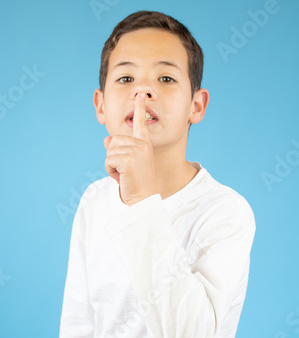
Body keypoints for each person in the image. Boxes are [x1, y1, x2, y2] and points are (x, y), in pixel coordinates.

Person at [60, 10, 255, 338]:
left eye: (165, 78)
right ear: (101, 105)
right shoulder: (94, 200)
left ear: (197, 105)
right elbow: (77, 323)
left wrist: (141, 200)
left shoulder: (227, 213)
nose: (142, 92)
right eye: (125, 79)